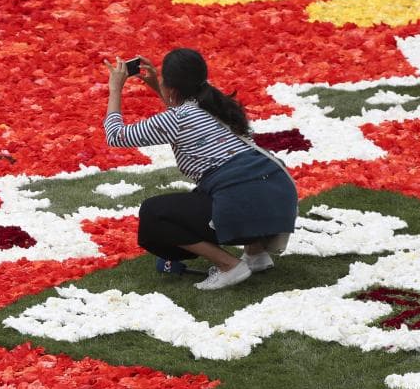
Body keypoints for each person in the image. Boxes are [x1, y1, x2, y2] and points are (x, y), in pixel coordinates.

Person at [103, 48, 298, 290]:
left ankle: (229, 266)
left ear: (173, 88)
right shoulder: (216, 102)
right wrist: (159, 87)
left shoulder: (179, 117)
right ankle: (256, 254)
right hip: (279, 201)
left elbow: (115, 135)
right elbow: (184, 118)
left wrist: (115, 88)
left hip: (247, 206)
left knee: (154, 214)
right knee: (220, 186)